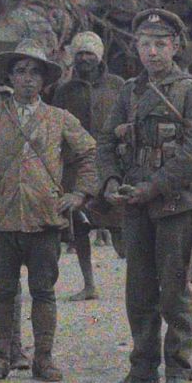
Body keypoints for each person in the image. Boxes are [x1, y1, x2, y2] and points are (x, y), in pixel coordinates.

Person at [0, 40, 99, 383]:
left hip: (45, 217)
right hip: (1, 218)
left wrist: (79, 194)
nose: (28, 78)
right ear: (10, 77)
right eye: (20, 71)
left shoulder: (58, 118)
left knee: (43, 291)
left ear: (45, 80)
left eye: (35, 72)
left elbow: (89, 153)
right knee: (2, 292)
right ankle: (1, 357)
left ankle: (43, 359)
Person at [96, 8, 192, 383]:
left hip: (174, 204)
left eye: (160, 44)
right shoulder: (129, 91)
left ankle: (178, 373)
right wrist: (110, 180)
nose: (152, 52)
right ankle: (142, 374)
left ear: (176, 46)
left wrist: (154, 187)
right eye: (145, 44)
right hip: (135, 205)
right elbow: (106, 142)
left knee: (174, 292)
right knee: (139, 292)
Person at [49, 30, 126, 300]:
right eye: (80, 53)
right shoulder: (64, 91)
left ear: (99, 56)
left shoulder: (117, 85)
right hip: (76, 166)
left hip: (111, 164)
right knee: (80, 227)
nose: (84, 58)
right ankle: (89, 284)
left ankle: (136, 281)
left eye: (89, 53)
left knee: (120, 224)